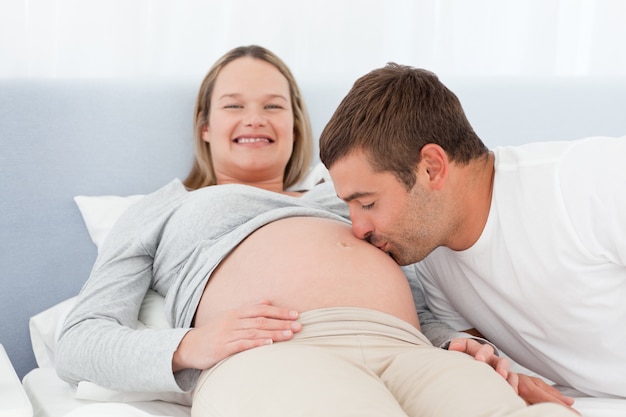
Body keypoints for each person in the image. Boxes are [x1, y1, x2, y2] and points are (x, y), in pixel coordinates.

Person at [55, 46, 578, 417]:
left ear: (295, 125)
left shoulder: (356, 197)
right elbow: (79, 340)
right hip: (276, 355)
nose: (255, 117)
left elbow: (427, 303)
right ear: (206, 127)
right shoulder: (164, 207)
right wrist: (189, 346)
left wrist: (456, 344)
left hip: (408, 351)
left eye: (274, 105)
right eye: (234, 105)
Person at [319, 62, 626, 400]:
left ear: (431, 168)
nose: (357, 228)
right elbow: (490, 364)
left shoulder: (586, 177)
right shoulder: (433, 265)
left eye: (367, 202)